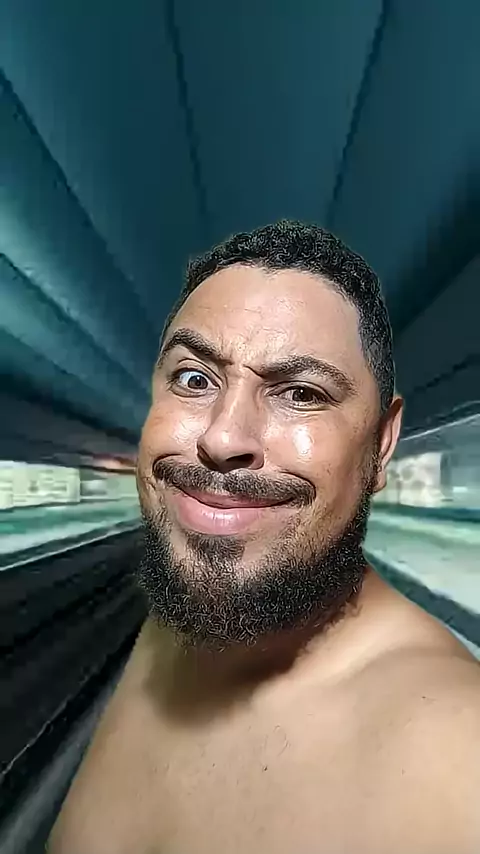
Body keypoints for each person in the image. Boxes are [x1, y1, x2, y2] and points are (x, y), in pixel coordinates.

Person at [48, 221, 480, 854]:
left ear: (382, 444)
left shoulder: (457, 763)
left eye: (301, 393)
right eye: (194, 379)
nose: (223, 438)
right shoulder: (180, 614)